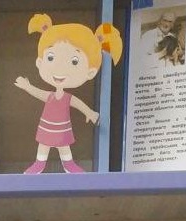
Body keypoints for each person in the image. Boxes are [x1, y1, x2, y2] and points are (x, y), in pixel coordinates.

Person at [15, 14, 122, 174]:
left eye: (74, 61)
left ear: (91, 72)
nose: (60, 69)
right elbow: (39, 93)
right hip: (47, 126)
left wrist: (90, 113)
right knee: (43, 145)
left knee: (64, 146)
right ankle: (39, 164)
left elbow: (78, 104)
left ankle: (69, 165)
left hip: (62, 128)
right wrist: (27, 87)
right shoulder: (51, 96)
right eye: (51, 57)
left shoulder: (67, 98)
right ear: (40, 62)